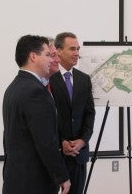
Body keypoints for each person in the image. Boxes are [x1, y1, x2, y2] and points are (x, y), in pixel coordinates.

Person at [2, 35, 70, 194]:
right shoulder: (36, 92)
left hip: (16, 179)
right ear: (33, 56)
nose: (52, 60)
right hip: (34, 183)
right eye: (47, 55)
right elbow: (46, 142)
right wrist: (62, 176)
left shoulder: (13, 87)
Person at [49, 32, 95, 194]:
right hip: (55, 154)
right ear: (58, 50)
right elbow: (46, 117)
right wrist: (61, 142)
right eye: (72, 49)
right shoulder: (48, 78)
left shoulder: (84, 79)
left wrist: (83, 140)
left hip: (79, 155)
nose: (77, 53)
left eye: (78, 49)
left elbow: (89, 113)